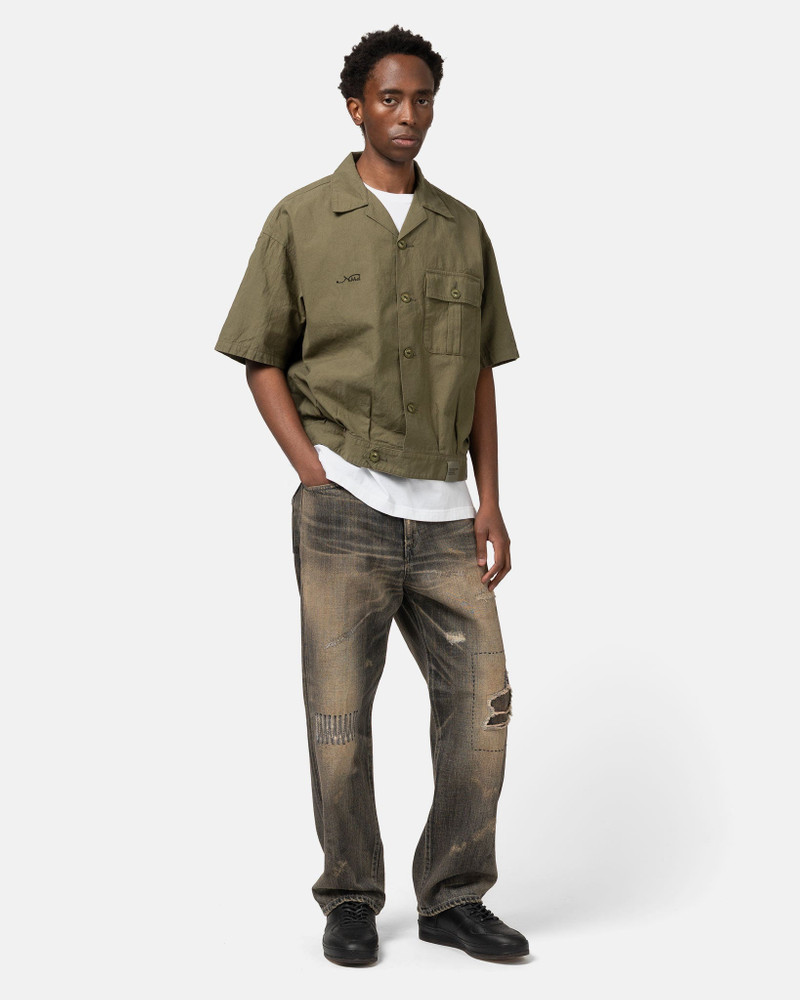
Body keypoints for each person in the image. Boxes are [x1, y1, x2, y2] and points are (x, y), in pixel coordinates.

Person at [214, 25, 529, 965]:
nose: (408, 114)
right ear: (356, 107)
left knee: (481, 710)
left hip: (446, 517)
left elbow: (479, 373)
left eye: (422, 98)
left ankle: (454, 897)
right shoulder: (302, 219)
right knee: (340, 721)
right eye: (390, 98)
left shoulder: (462, 229)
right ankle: (350, 895)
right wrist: (312, 473)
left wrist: (490, 500)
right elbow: (261, 357)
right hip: (343, 506)